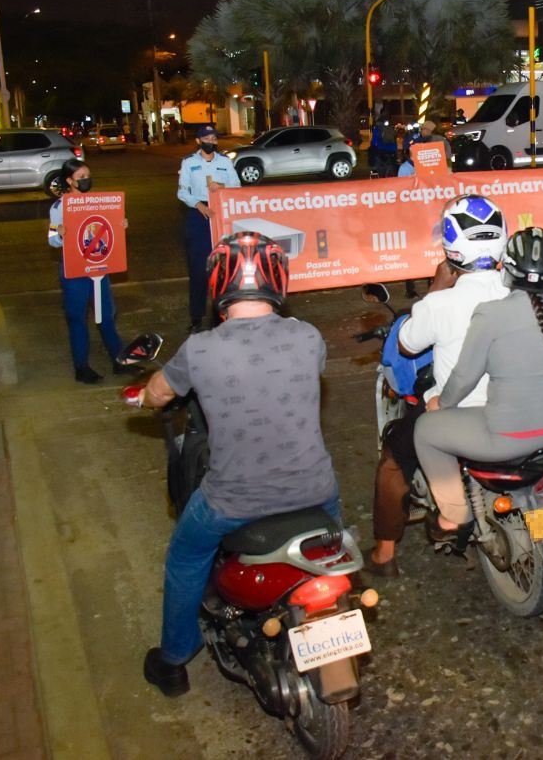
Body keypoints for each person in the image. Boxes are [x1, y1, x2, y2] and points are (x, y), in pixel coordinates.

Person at [138, 231, 340, 697]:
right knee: (331, 544)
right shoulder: (308, 336)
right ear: (277, 281)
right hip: (315, 488)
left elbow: (158, 394)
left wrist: (146, 394)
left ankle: (174, 658)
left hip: (234, 499)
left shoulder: (200, 349)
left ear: (219, 287)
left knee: (186, 556)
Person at [367, 196, 510, 575]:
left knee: (394, 458)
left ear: (451, 246)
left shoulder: (441, 303)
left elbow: (406, 342)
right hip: (515, 407)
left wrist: (435, 286)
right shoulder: (519, 294)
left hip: (457, 414)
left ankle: (384, 555)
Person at [414, 227, 543, 538]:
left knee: (425, 431)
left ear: (505, 269)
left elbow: (465, 376)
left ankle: (455, 516)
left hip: (510, 435)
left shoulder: (490, 314)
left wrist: (443, 403)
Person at [47, 159, 130, 384]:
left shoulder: (99, 203)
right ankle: (81, 367)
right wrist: (59, 234)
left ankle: (119, 360)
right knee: (77, 318)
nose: (85, 180)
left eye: (88, 176)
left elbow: (107, 229)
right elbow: (52, 240)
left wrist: (120, 225)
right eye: (80, 177)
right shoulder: (59, 207)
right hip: (74, 270)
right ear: (69, 180)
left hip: (98, 268)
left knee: (106, 316)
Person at [177, 125, 240, 332]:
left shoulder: (224, 161)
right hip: (198, 214)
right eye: (206, 138)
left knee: (223, 267)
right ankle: (196, 317)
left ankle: (221, 316)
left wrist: (221, 187)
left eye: (213, 138)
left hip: (220, 213)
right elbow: (182, 191)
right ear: (198, 141)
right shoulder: (188, 162)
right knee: (198, 270)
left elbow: (237, 186)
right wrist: (198, 204)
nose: (211, 141)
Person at [369, 111, 398, 178]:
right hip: (392, 149)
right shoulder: (391, 126)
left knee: (373, 154)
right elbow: (394, 138)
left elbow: (374, 141)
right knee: (393, 163)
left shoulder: (377, 127)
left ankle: (374, 169)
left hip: (381, 149)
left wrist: (374, 145)